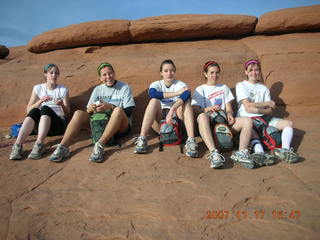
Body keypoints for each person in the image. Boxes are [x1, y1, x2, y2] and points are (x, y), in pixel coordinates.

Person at [49, 62, 135, 163]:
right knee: (78, 113)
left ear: (114, 73)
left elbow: (129, 111)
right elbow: (88, 111)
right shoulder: (98, 89)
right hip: (100, 124)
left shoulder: (124, 87)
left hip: (120, 126)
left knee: (118, 110)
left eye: (110, 73)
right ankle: (63, 147)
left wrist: (110, 106)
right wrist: (91, 109)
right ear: (100, 78)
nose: (108, 76)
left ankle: (100, 146)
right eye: (104, 75)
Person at [192, 61, 258, 169]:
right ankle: (214, 153)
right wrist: (207, 109)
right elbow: (195, 109)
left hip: (224, 124)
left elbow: (229, 108)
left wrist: (229, 114)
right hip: (209, 125)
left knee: (247, 121)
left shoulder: (224, 87)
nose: (215, 75)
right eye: (211, 72)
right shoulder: (200, 89)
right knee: (202, 116)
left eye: (217, 72)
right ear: (205, 74)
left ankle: (241, 153)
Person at [236, 59, 299, 163]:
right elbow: (247, 106)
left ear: (259, 71)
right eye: (250, 70)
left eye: (256, 70)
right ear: (245, 72)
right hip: (246, 118)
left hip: (264, 118)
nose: (253, 73)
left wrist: (258, 109)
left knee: (288, 123)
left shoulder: (264, 89)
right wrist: (267, 104)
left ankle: (285, 150)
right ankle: (260, 153)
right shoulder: (241, 85)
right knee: (250, 128)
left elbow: (270, 111)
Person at [134, 59, 198, 157]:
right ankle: (142, 139)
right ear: (161, 73)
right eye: (166, 71)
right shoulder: (156, 84)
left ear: (175, 71)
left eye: (172, 70)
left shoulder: (180, 84)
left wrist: (172, 110)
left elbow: (187, 93)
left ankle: (191, 141)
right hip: (160, 121)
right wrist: (176, 93)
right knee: (153, 101)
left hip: (177, 119)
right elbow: (152, 94)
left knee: (187, 102)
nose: (169, 73)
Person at [9, 64, 70, 160]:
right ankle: (17, 146)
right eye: (51, 73)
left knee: (45, 108)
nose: (54, 75)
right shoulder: (38, 88)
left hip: (57, 126)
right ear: (45, 74)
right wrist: (40, 101)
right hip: (41, 127)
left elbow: (68, 114)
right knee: (35, 111)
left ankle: (39, 145)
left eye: (56, 73)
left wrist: (62, 105)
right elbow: (28, 110)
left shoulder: (63, 90)